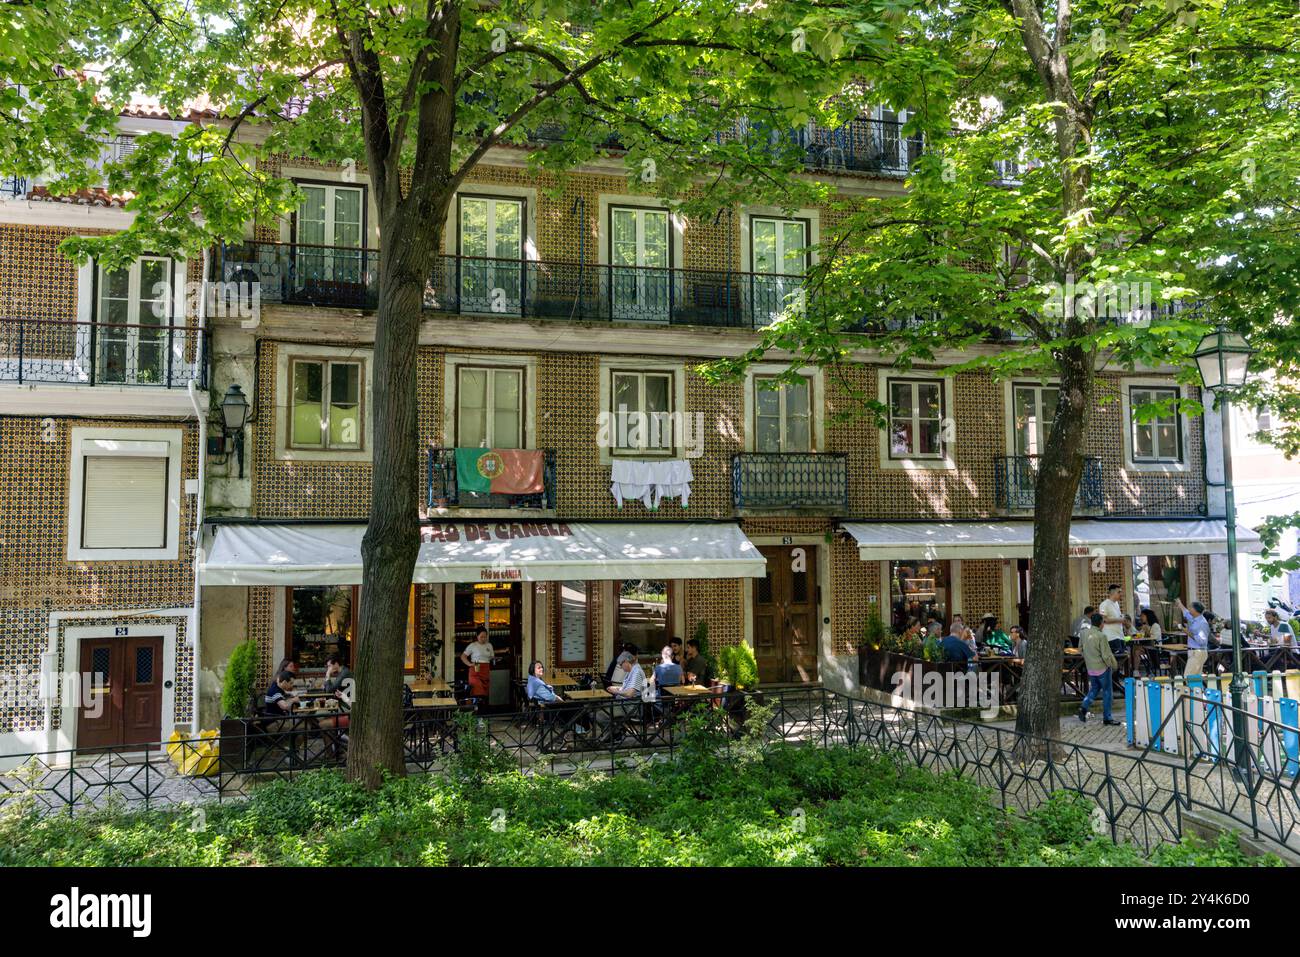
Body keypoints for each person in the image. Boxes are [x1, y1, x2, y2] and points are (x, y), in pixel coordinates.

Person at [1078, 612, 1120, 725]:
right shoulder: (1102, 636)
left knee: (1094, 689)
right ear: (1101, 624)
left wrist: (1089, 658)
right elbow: (1106, 655)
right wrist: (1112, 665)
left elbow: (1080, 650)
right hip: (1102, 668)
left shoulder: (1083, 633)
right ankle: (1107, 717)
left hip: (1090, 668)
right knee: (1107, 692)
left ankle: (1083, 707)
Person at [1176, 598, 1211, 677]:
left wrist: (1185, 630)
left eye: (1190, 607)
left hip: (1198, 652)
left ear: (1195, 610)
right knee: (1195, 677)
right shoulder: (1195, 619)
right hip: (1194, 652)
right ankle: (1197, 689)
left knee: (1188, 676)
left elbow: (1202, 641)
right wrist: (1180, 604)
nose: (1189, 609)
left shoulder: (1202, 623)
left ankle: (1192, 689)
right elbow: (1186, 614)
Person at [460, 626, 497, 699]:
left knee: (485, 694)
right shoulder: (473, 645)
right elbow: (463, 656)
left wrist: (495, 659)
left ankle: (483, 709)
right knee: (477, 692)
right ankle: (476, 708)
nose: (483, 639)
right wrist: (470, 664)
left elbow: (491, 657)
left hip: (486, 669)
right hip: (476, 669)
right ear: (477, 636)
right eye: (481, 637)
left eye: (485, 637)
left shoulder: (489, 645)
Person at [1099, 584, 1129, 656]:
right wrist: (1119, 620)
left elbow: (1117, 618)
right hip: (1111, 637)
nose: (1121, 594)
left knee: (1124, 656)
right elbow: (1104, 620)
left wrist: (1123, 622)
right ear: (1112, 593)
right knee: (1117, 659)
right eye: (1119, 592)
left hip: (1120, 636)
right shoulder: (1104, 604)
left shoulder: (1116, 604)